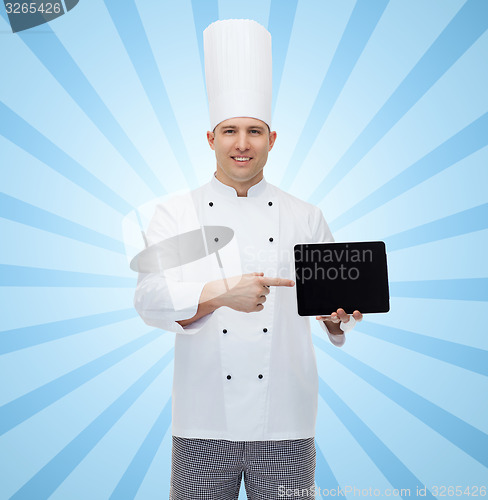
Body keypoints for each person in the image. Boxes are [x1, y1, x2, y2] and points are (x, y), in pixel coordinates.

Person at [134, 19, 362, 499]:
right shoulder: (176, 214)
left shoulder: (305, 215)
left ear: (272, 139)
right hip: (201, 421)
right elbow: (148, 298)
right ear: (211, 138)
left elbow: (332, 307)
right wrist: (220, 294)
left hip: (287, 420)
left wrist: (336, 320)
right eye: (230, 131)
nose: (242, 143)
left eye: (254, 131)